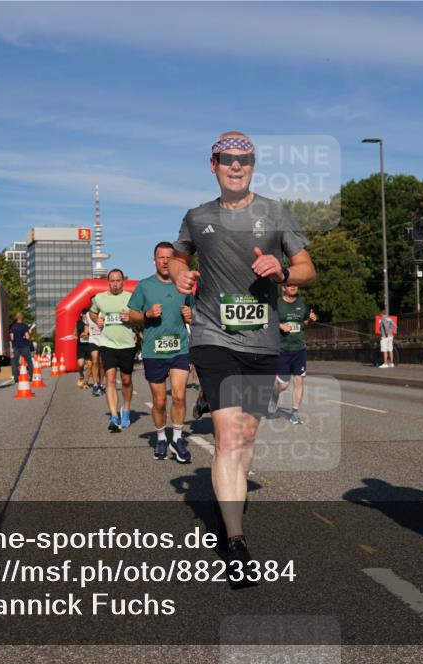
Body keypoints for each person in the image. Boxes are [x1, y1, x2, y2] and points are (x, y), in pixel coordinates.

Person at [169, 131, 315, 582]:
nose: (237, 166)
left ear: (253, 166)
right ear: (212, 164)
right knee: (229, 436)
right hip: (213, 335)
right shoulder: (198, 217)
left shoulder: (275, 212)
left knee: (247, 434)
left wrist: (283, 268)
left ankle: (230, 501)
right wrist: (180, 274)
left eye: (245, 160)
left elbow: (309, 268)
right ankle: (234, 540)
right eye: (228, 159)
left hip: (261, 339)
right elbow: (177, 258)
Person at [128, 241, 195, 463]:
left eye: (169, 257)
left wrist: (190, 315)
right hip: (153, 351)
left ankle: (176, 438)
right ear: (154, 260)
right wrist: (146, 314)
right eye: (161, 257)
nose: (165, 261)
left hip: (180, 348)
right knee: (158, 402)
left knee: (178, 395)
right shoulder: (144, 286)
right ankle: (160, 437)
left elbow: (195, 313)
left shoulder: (183, 286)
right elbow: (132, 316)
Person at [90, 269, 137, 432]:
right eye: (112, 281)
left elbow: (139, 317)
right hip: (107, 343)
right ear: (108, 282)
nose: (115, 284)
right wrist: (98, 320)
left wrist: (131, 318)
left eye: (118, 281)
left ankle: (126, 410)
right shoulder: (100, 298)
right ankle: (114, 415)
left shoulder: (131, 297)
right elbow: (92, 312)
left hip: (127, 344)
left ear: (123, 281)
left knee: (126, 380)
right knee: (110, 378)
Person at [267, 285, 317, 424]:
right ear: (284, 288)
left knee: (299, 381)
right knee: (283, 385)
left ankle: (295, 413)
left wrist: (311, 319)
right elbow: (268, 319)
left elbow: (305, 322)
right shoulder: (277, 303)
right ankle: (274, 394)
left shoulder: (302, 303)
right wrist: (281, 326)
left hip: (299, 349)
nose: (293, 287)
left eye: (295, 285)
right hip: (282, 349)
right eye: (289, 285)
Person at [84, 307, 105, 396]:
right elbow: (87, 325)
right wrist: (85, 333)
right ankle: (95, 384)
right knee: (95, 360)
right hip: (93, 340)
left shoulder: (103, 313)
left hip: (103, 340)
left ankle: (101, 383)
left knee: (102, 364)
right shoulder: (87, 315)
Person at [9, 311, 34, 379]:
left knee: (15, 362)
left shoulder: (13, 327)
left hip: (16, 346)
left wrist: (13, 344)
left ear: (16, 318)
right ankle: (31, 376)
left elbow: (11, 338)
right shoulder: (25, 326)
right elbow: (27, 337)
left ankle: (16, 377)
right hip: (24, 346)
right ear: (22, 318)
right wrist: (29, 334)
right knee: (29, 361)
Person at [74, 309, 91, 389]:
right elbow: (74, 333)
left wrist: (89, 336)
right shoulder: (78, 323)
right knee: (80, 364)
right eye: (84, 314)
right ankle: (81, 375)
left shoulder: (91, 323)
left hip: (89, 346)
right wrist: (75, 335)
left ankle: (85, 382)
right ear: (81, 315)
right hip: (80, 346)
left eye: (87, 314)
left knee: (89, 365)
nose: (85, 315)